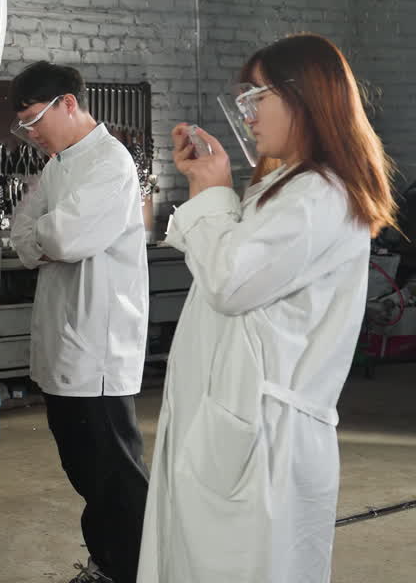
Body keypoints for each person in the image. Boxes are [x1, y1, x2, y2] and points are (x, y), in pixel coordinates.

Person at [138, 33, 396, 583]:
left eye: (257, 97)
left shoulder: (321, 195)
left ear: (307, 98)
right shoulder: (282, 186)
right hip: (235, 422)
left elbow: (231, 281)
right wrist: (211, 188)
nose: (248, 114)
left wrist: (210, 192)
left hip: (264, 438)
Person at [8, 61, 150, 583]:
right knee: (84, 469)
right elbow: (23, 234)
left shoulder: (111, 164)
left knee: (116, 473)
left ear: (68, 103)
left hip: (99, 346)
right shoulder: (56, 166)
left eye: (34, 120)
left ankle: (137, 569)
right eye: (23, 125)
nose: (31, 133)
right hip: (63, 342)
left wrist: (45, 239)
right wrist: (45, 240)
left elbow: (62, 240)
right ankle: (107, 563)